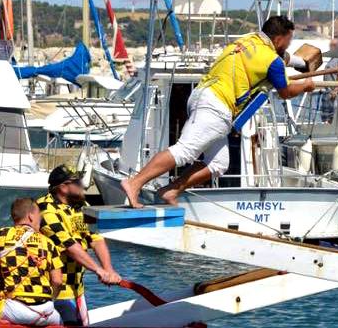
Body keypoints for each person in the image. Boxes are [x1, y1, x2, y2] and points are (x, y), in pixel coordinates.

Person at [120, 16, 316, 207]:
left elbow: (282, 57)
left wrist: (299, 63)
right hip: (217, 104)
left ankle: (171, 190)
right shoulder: (272, 61)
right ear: (278, 39)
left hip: (203, 94)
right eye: (287, 42)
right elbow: (286, 92)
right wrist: (306, 85)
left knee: (218, 164)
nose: (287, 48)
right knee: (185, 151)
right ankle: (135, 182)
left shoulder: (247, 41)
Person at [38, 165, 120, 326]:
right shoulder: (45, 209)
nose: (82, 185)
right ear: (62, 187)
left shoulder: (80, 206)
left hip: (77, 290)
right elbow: (69, 246)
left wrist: (108, 269)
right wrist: (98, 270)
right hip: (53, 291)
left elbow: (96, 239)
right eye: (76, 182)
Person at [0, 198, 63, 326]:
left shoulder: (2, 235)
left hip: (16, 309)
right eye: (39, 217)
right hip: (47, 311)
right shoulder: (48, 242)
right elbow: (58, 280)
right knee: (60, 323)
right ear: (31, 216)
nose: (40, 221)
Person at [319, 37, 338, 123]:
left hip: (335, 94)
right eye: (331, 45)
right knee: (326, 118)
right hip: (328, 92)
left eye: (334, 45)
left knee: (333, 117)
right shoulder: (333, 58)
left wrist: (336, 90)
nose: (331, 47)